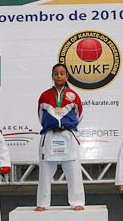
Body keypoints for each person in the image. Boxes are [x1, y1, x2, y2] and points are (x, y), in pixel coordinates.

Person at [35, 63, 85, 211]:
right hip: (50, 134)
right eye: (56, 73)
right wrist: (52, 126)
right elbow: (40, 116)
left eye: (62, 73)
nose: (59, 76)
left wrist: (66, 125)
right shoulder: (45, 95)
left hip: (68, 134)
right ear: (52, 76)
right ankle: (42, 203)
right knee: (45, 170)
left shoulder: (73, 96)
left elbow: (79, 115)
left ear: (67, 76)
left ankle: (77, 202)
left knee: (73, 169)